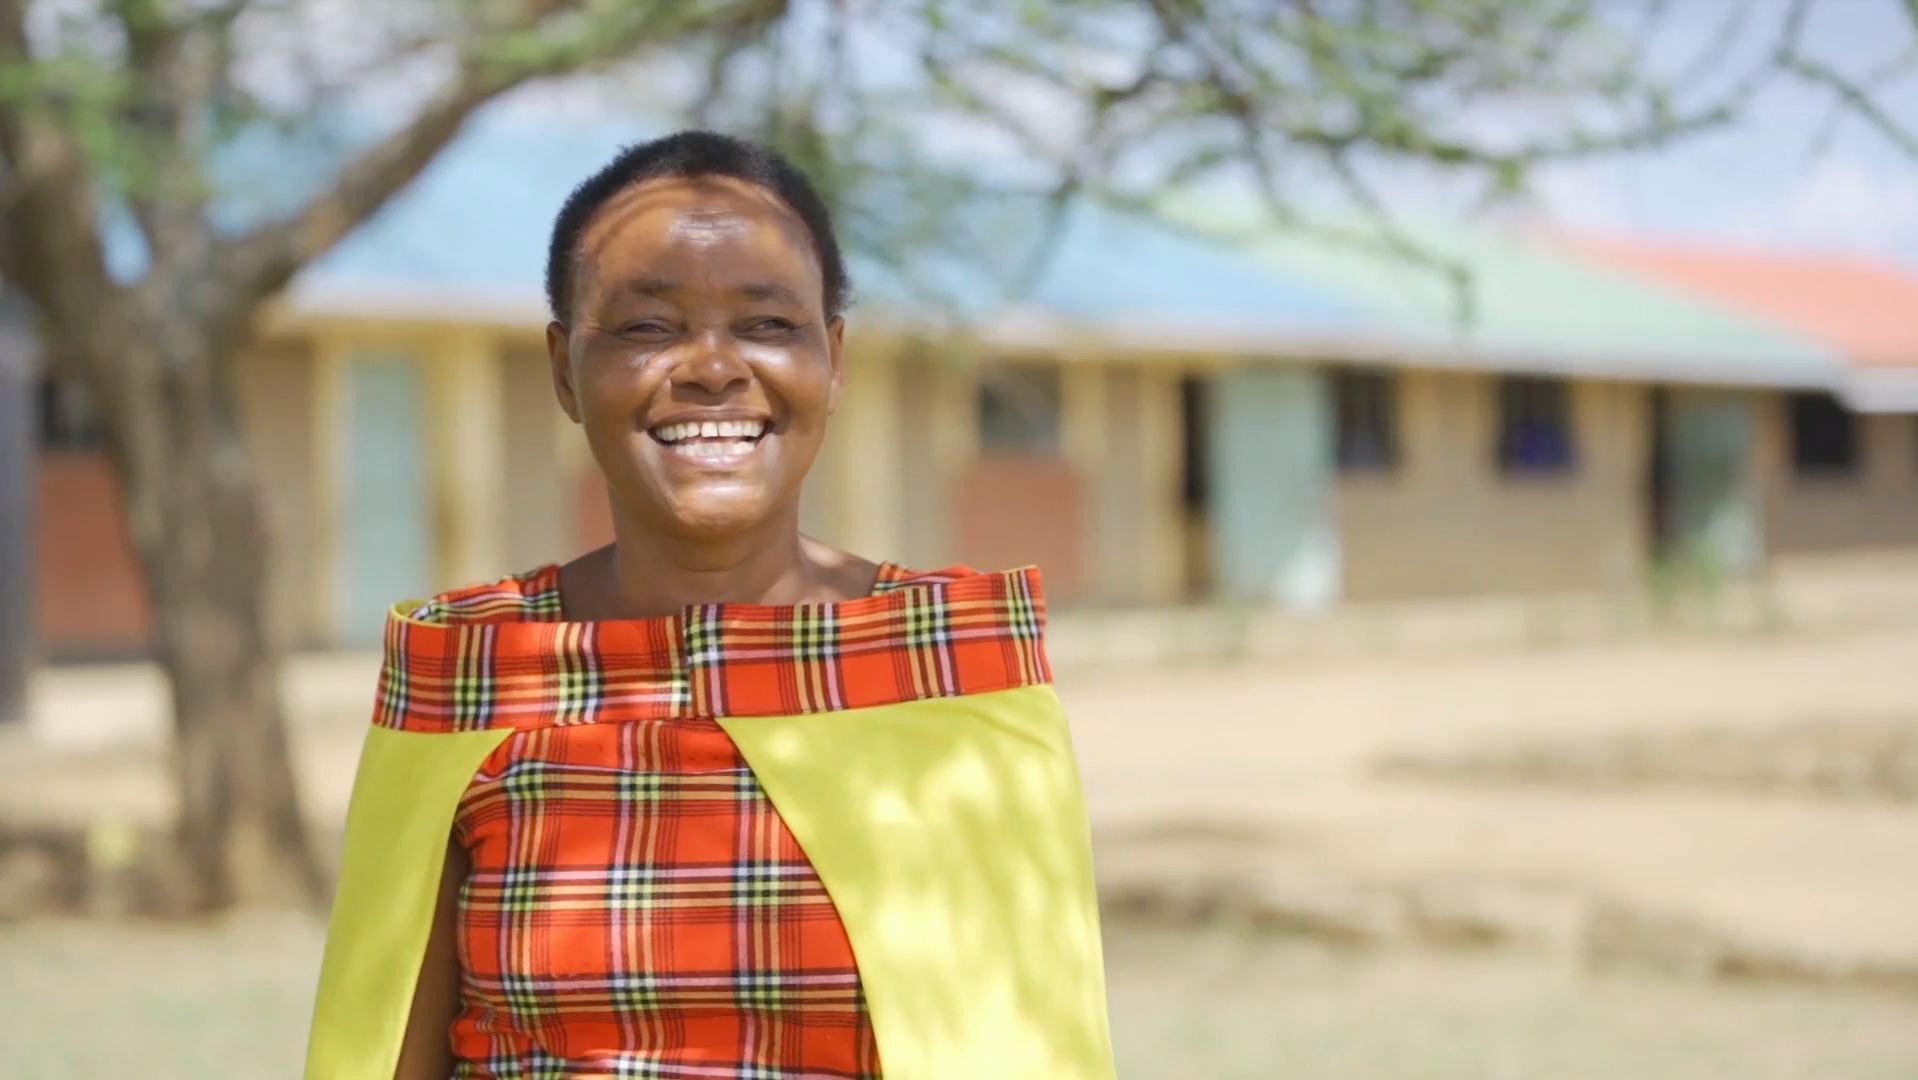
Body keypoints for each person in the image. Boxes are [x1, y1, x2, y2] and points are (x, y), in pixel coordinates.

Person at [301, 131, 1115, 1080]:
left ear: (833, 359)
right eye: (648, 328)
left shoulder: (948, 667)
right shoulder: (475, 668)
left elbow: (1028, 1045)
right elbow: (380, 1047)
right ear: (566, 370)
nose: (713, 367)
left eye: (767, 325)